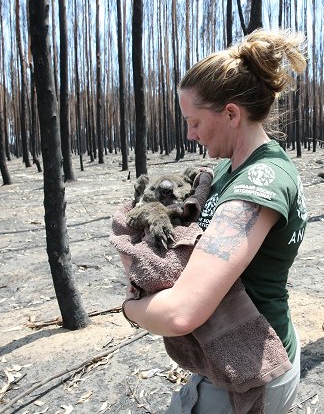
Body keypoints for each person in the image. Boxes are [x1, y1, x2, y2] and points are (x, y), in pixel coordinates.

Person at [121, 29, 308, 413]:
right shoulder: (226, 170)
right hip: (224, 357)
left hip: (252, 371)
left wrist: (129, 308)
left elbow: (180, 313)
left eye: (194, 122)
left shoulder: (261, 183)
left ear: (231, 113)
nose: (190, 134)